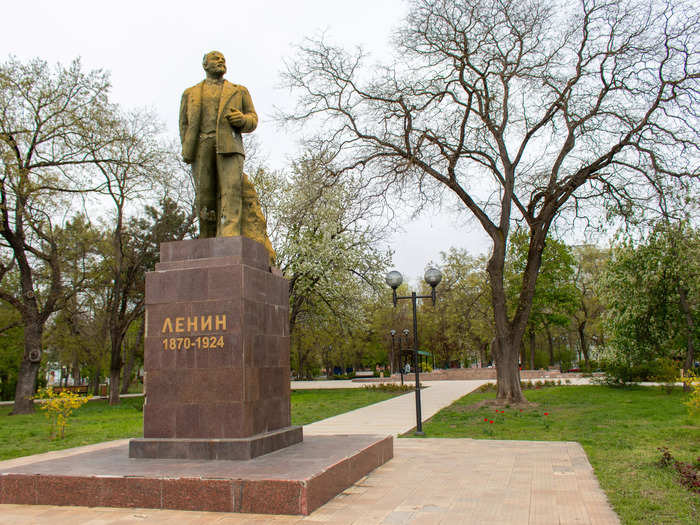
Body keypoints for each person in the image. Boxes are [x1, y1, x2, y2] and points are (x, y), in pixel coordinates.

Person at [179, 50, 275, 262]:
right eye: (215, 59)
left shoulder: (239, 91)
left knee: (231, 191)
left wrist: (242, 119)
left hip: (229, 146)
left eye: (223, 59)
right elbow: (184, 123)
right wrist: (187, 148)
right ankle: (207, 237)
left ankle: (229, 239)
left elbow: (253, 119)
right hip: (202, 144)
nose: (221, 61)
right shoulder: (191, 93)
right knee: (205, 195)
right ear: (205, 65)